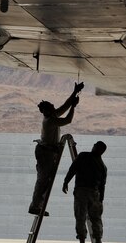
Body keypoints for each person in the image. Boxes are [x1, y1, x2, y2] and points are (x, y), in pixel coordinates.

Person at [28, 82, 84, 216]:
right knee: (43, 180)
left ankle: (37, 205)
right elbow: (68, 119)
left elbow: (65, 106)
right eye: (52, 107)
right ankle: (35, 206)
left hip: (46, 152)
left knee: (44, 180)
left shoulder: (51, 116)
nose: (54, 108)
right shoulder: (50, 120)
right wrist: (74, 107)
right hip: (45, 153)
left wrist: (75, 92)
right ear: (47, 110)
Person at [62, 141, 107, 243]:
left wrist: (66, 182)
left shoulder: (83, 156)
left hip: (81, 191)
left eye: (95, 146)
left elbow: (73, 169)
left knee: (80, 218)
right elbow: (102, 186)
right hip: (95, 194)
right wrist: (101, 199)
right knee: (96, 219)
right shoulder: (102, 166)